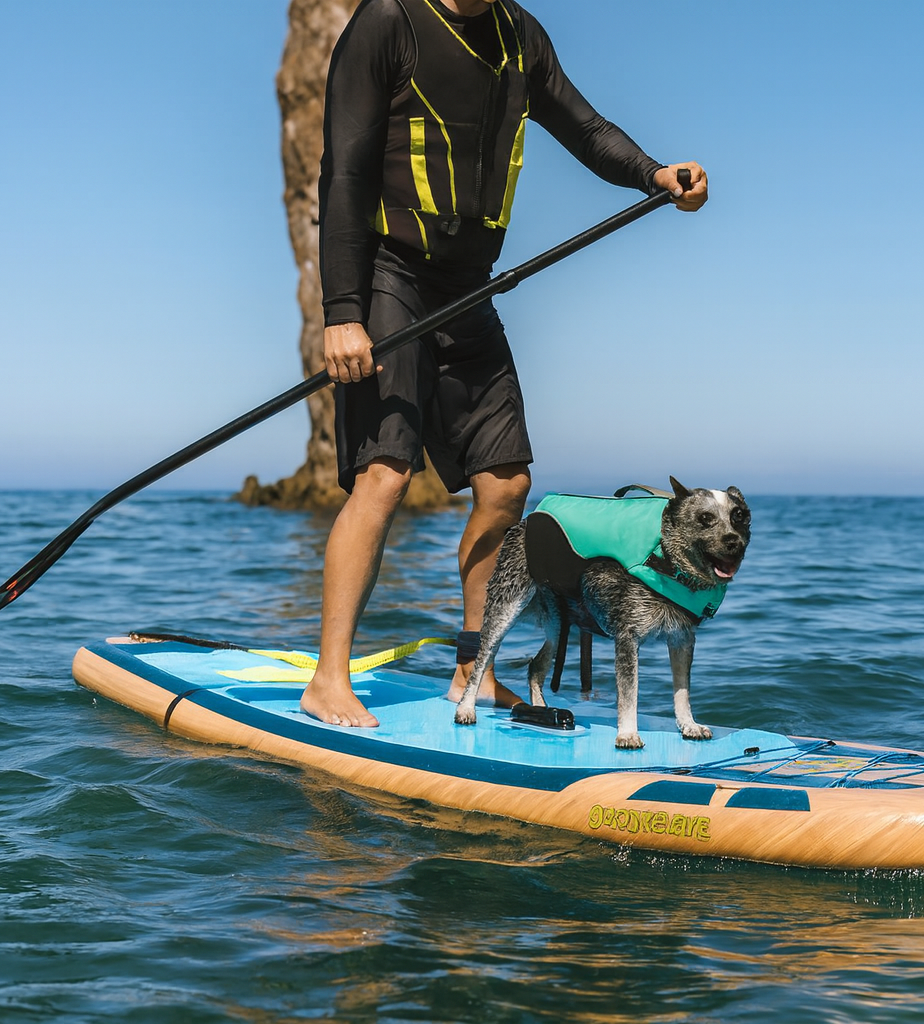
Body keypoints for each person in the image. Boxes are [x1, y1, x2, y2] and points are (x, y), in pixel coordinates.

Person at [301, 0, 708, 727]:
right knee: (385, 474)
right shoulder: (388, 22)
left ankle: (472, 670)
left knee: (506, 483)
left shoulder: (520, 37)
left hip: (470, 289)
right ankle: (328, 678)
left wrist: (653, 172)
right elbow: (345, 171)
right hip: (389, 276)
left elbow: (584, 128)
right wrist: (341, 312)